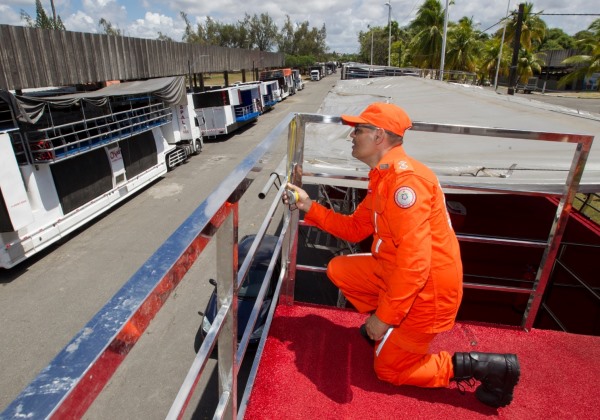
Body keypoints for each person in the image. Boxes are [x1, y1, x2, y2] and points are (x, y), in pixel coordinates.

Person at [283, 102, 520, 408]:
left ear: (378, 136)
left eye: (358, 130)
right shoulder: (384, 177)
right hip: (402, 276)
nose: (351, 137)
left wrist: (382, 319)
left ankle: (487, 367)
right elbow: (356, 229)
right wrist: (307, 206)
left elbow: (416, 265)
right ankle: (394, 325)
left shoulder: (405, 184)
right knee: (340, 269)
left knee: (389, 370)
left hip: (428, 293)